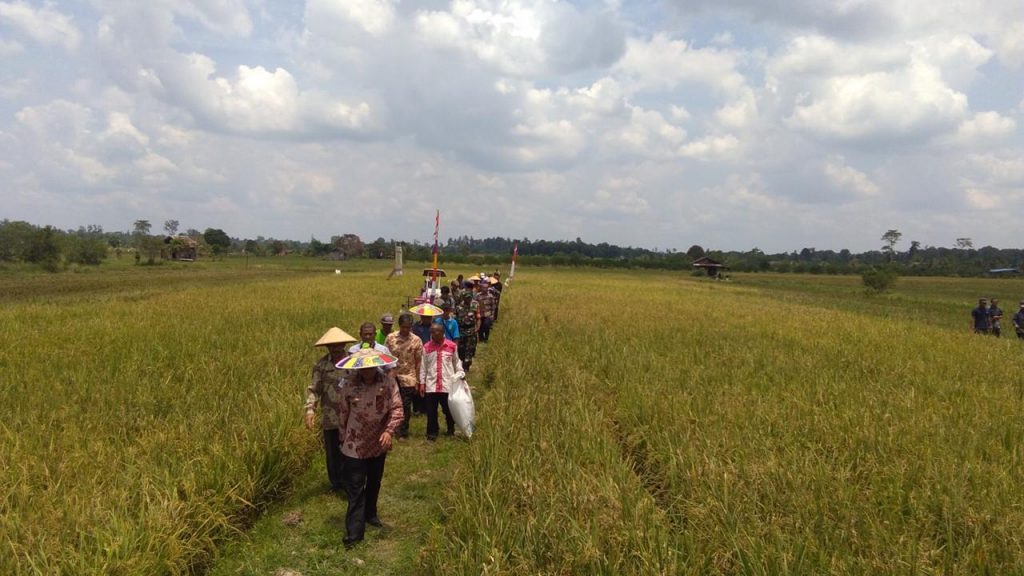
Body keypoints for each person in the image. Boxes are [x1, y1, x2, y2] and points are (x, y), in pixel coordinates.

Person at [337, 348, 403, 548]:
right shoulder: (348, 384)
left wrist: (389, 432)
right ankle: (354, 534)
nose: (368, 371)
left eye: (371, 367)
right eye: (364, 368)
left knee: (374, 482)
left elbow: (398, 409)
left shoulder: (387, 382)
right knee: (356, 488)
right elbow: (343, 414)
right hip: (354, 445)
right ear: (358, 367)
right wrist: (342, 439)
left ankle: (371, 514)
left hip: (377, 444)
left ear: (377, 365)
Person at [305, 327, 358, 491]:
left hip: (352, 415)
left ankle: (353, 481)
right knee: (333, 451)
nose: (335, 348)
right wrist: (310, 409)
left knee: (352, 449)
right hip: (330, 416)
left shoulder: (354, 362)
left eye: (338, 345)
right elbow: (314, 389)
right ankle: (336, 483)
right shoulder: (321, 366)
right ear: (327, 347)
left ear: (344, 345)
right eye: (332, 346)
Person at [418, 323, 465, 441]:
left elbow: (456, 362)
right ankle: (432, 433)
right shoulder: (427, 347)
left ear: (442, 332)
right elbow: (423, 367)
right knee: (431, 411)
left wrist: (460, 374)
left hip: (447, 384)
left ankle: (450, 429)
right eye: (432, 332)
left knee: (448, 409)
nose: (434, 334)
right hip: (431, 385)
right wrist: (422, 383)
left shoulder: (451, 346)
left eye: (436, 331)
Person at [384, 313, 423, 438]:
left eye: (408, 327)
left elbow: (418, 362)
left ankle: (403, 431)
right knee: (392, 404)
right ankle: (391, 427)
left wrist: (418, 380)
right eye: (403, 327)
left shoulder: (416, 340)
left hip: (408, 378)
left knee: (405, 405)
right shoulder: (391, 338)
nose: (405, 330)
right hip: (392, 376)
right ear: (399, 326)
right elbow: (385, 357)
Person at [455, 290, 480, 372]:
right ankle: (461, 364)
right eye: (467, 298)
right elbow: (455, 319)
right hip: (461, 330)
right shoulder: (458, 307)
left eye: (470, 298)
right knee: (461, 349)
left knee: (470, 349)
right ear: (463, 298)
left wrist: (477, 328)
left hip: (471, 330)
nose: (468, 299)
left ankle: (467, 366)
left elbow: (478, 318)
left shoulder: (475, 305)